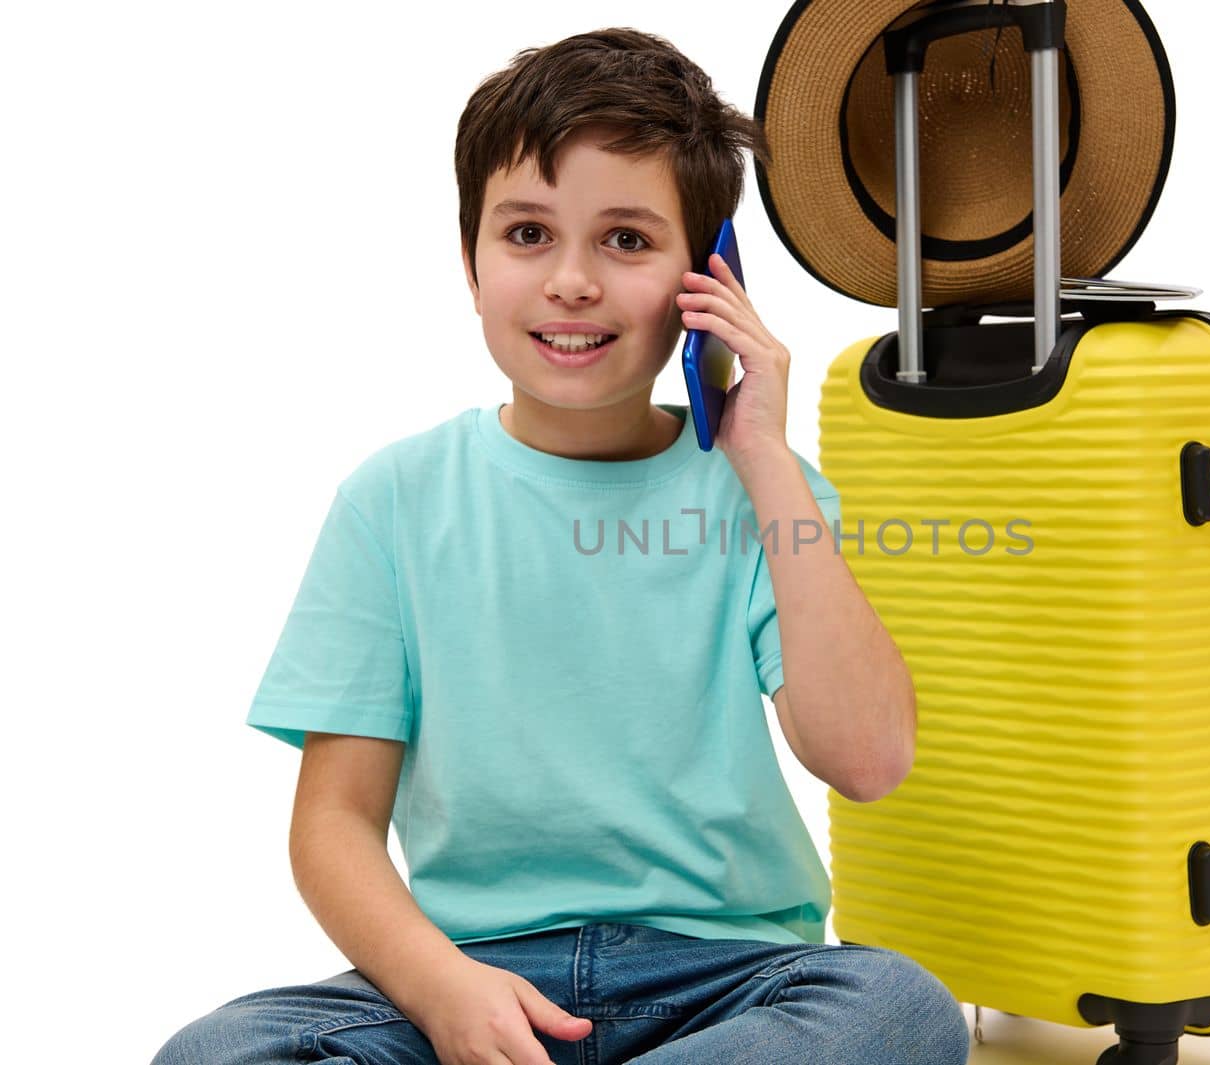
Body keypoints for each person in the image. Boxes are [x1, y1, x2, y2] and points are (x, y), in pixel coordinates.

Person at [148, 25, 971, 1065]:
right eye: (527, 234)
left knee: (897, 1008)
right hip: (472, 977)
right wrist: (441, 989)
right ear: (470, 257)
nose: (571, 282)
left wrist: (762, 457)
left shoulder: (767, 498)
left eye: (626, 240)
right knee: (219, 1051)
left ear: (707, 276)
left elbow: (866, 759)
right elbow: (334, 827)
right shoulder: (393, 500)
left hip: (722, 980)